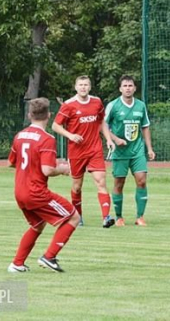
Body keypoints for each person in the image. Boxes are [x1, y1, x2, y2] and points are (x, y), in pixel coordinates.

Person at [7, 97, 80, 273]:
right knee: (73, 217)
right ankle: (49, 257)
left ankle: (17, 264)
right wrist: (62, 169)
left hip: (20, 191)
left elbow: (11, 162)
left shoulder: (19, 136)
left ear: (29, 114)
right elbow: (47, 170)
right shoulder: (47, 139)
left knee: (37, 225)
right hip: (36, 192)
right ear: (49, 115)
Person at [52, 75, 116, 228]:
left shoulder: (96, 102)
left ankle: (106, 217)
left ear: (90, 86)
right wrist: (70, 135)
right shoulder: (69, 105)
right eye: (80, 85)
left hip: (95, 149)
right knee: (77, 186)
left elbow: (101, 121)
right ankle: (78, 216)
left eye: (86, 85)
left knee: (101, 181)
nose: (83, 87)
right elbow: (55, 125)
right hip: (76, 152)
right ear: (76, 87)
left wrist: (108, 139)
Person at [104, 75, 156, 227]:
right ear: (120, 89)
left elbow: (145, 126)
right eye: (125, 85)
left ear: (134, 88)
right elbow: (103, 126)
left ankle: (140, 217)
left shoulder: (140, 106)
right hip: (120, 152)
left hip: (137, 150)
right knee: (119, 183)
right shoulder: (113, 105)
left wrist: (149, 148)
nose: (128, 88)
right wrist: (114, 139)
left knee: (142, 180)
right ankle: (119, 217)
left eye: (130, 85)